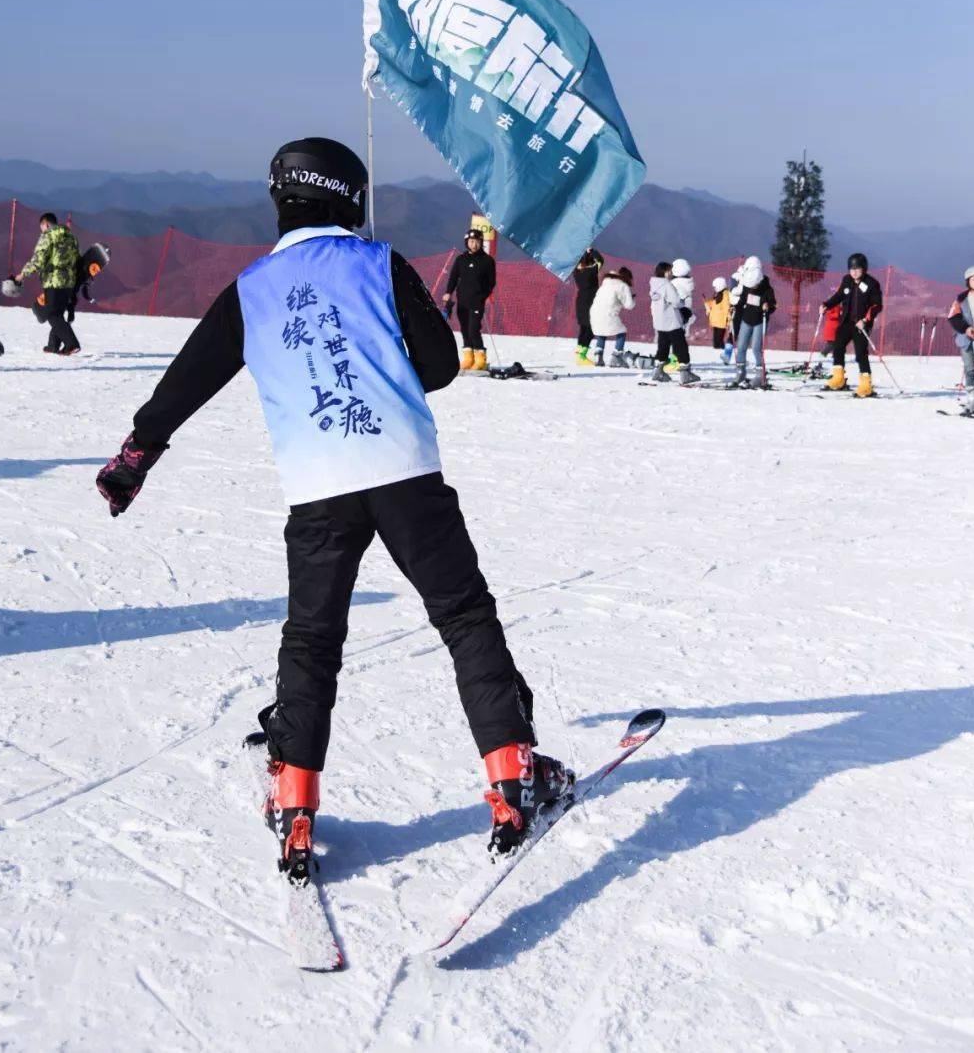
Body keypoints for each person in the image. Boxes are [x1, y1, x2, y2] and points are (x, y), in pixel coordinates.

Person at [95, 138, 572, 883]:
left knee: (312, 642)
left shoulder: (249, 289)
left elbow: (187, 380)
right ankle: (515, 784)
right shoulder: (378, 263)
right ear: (349, 198)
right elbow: (441, 364)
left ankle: (294, 803)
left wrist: (136, 457)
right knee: (464, 616)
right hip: (407, 475)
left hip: (316, 488)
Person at [14, 212, 83, 355]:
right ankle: (53, 346)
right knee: (57, 313)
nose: (42, 231)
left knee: (52, 314)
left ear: (45, 224)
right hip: (69, 281)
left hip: (54, 281)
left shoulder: (48, 236)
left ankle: (72, 344)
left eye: (42, 227)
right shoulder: (71, 237)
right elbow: (78, 259)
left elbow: (38, 260)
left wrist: (22, 275)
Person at [821, 252, 883, 397]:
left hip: (861, 324)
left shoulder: (872, 284)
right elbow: (839, 296)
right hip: (846, 321)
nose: (854, 272)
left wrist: (866, 320)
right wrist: (826, 305)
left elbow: (877, 305)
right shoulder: (847, 280)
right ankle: (838, 378)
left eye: (857, 269)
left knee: (861, 353)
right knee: (838, 345)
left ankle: (866, 385)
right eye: (851, 269)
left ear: (864, 269)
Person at [443, 228, 497, 371]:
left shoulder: (487, 261)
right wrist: (448, 292)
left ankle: (480, 359)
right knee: (464, 330)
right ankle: (468, 358)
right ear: (467, 242)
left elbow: (491, 282)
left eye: (477, 242)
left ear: (481, 243)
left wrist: (483, 296)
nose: (474, 245)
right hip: (462, 301)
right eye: (471, 241)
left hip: (477, 301)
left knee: (474, 329)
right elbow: (453, 277)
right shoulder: (461, 259)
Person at [728, 256, 778, 389]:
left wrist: (768, 307)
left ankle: (760, 375)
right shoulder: (746, 286)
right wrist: (734, 307)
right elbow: (742, 301)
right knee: (741, 346)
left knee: (756, 348)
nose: (752, 287)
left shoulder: (767, 289)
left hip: (760, 322)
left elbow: (773, 305)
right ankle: (740, 372)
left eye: (754, 285)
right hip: (746, 320)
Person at [649, 261, 698, 384]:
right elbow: (676, 301)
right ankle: (685, 373)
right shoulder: (667, 285)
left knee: (663, 346)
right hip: (672, 321)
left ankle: (658, 370)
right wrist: (684, 309)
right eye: (670, 271)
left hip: (660, 322)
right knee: (681, 346)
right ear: (664, 272)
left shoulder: (654, 285)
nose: (671, 273)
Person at [590, 266, 635, 366]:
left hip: (594, 312)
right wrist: (632, 299)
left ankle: (599, 354)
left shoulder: (606, 282)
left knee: (601, 332)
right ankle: (617, 356)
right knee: (622, 332)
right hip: (608, 314)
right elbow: (629, 305)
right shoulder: (623, 285)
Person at [947, 266, 974, 417]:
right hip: (967, 339)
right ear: (968, 281)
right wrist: (966, 329)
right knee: (970, 369)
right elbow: (953, 317)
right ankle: (972, 401)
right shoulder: (961, 298)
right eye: (973, 279)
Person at [572, 246, 605, 364]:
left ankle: (579, 353)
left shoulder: (575, 271)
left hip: (580, 301)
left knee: (583, 328)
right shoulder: (592, 271)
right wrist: (592, 251)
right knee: (591, 329)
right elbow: (600, 260)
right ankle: (582, 355)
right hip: (591, 302)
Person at [704, 276, 733, 363]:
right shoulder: (718, 294)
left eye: (715, 286)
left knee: (718, 342)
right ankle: (718, 358)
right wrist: (707, 304)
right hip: (716, 321)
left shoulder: (725, 295)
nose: (714, 288)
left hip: (721, 322)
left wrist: (728, 320)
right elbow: (714, 305)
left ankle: (721, 358)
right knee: (716, 342)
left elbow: (726, 308)